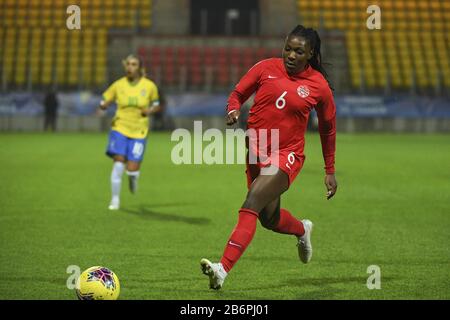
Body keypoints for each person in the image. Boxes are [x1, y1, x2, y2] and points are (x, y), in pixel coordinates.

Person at [200, 25, 338, 290]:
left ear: (310, 54)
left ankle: (222, 269)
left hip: (287, 155)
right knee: (269, 219)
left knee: (251, 202)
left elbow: (327, 128)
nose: (291, 55)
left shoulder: (318, 86)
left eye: (299, 51)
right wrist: (233, 110)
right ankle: (302, 229)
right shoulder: (265, 68)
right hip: (255, 151)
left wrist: (329, 169)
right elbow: (237, 93)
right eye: (288, 48)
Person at [98, 54, 160, 210]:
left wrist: (150, 110)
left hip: (139, 131)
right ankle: (115, 200)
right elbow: (105, 98)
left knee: (131, 169)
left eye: (133, 64)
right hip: (120, 127)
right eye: (128, 64)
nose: (130, 67)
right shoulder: (118, 85)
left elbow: (157, 104)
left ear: (139, 67)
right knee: (119, 162)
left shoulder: (149, 86)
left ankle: (133, 178)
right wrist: (103, 105)